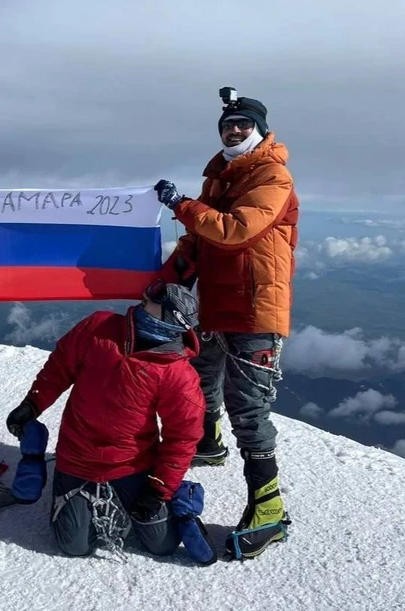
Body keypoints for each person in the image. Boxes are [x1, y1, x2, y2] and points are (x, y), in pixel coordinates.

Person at [153, 88, 298, 560]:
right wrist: (159, 286)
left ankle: (270, 509)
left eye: (242, 124)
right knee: (199, 378)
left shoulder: (271, 175)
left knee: (249, 408)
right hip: (216, 303)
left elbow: (234, 230)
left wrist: (181, 206)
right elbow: (198, 244)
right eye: (227, 125)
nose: (233, 130)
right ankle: (208, 443)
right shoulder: (220, 179)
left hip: (256, 309)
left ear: (259, 129)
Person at [4, 283, 204, 558]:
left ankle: (180, 493)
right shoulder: (100, 327)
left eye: (157, 296)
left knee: (163, 545)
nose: (146, 294)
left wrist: (159, 491)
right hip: (77, 457)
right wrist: (32, 404)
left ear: (169, 318)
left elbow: (182, 437)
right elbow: (60, 367)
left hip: (131, 463)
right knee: (74, 546)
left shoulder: (178, 375)